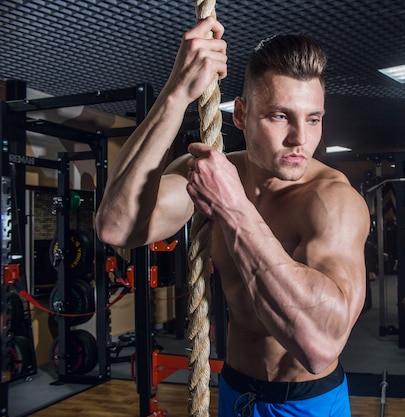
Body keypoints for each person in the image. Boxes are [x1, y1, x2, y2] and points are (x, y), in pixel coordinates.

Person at [95, 17, 370, 417]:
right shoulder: (214, 172)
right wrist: (176, 94)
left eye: (313, 119)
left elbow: (319, 346)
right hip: (235, 391)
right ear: (240, 115)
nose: (300, 138)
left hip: (308, 403)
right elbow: (115, 226)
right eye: (279, 116)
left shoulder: (331, 201)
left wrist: (233, 209)